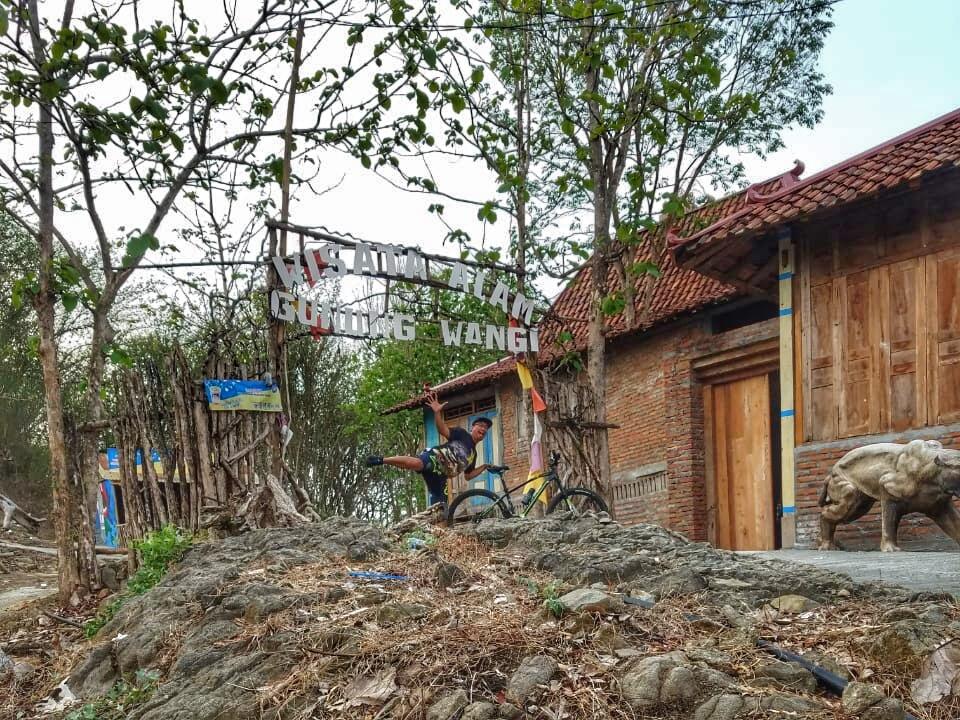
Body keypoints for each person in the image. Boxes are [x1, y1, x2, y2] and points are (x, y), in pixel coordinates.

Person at [366, 389, 493, 506]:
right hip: (435, 458)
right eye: (480, 425)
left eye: (486, 428)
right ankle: (381, 460)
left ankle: (435, 528)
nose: (483, 428)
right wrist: (437, 413)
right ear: (473, 427)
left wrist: (484, 467)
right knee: (419, 463)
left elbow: (468, 475)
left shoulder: (473, 454)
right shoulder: (462, 434)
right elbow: (442, 429)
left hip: (442, 475)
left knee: (441, 508)